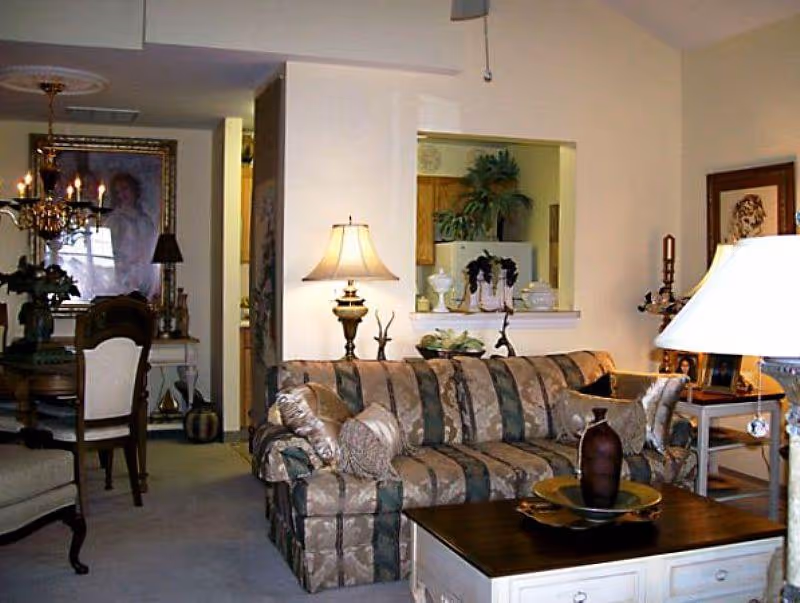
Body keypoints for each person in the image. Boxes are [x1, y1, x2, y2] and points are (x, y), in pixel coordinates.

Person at [104, 172, 159, 299]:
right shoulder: (114, 220)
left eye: (125, 189)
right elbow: (108, 253)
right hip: (123, 276)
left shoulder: (145, 220)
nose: (122, 195)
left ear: (134, 189)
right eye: (118, 192)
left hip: (144, 275)